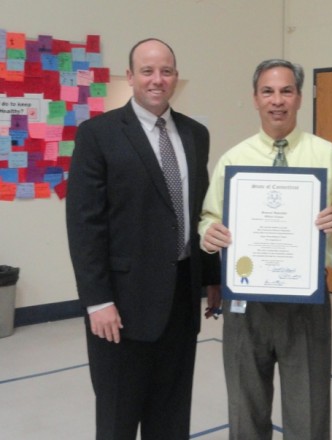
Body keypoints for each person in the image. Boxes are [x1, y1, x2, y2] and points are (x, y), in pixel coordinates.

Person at [66, 38, 221, 440]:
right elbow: (85, 224)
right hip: (121, 306)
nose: (158, 80)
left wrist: (211, 277)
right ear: (130, 76)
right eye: (148, 71)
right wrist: (97, 300)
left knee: (171, 419)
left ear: (175, 77)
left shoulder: (195, 134)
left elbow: (199, 211)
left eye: (166, 71)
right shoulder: (97, 134)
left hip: (182, 302)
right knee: (118, 419)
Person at [199, 59, 332, 440]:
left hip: (307, 300)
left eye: (286, 91)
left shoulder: (328, 155)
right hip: (245, 300)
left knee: (308, 409)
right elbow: (209, 215)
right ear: (255, 99)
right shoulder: (234, 159)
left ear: (300, 97)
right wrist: (209, 233)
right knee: (245, 406)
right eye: (268, 91)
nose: (277, 100)